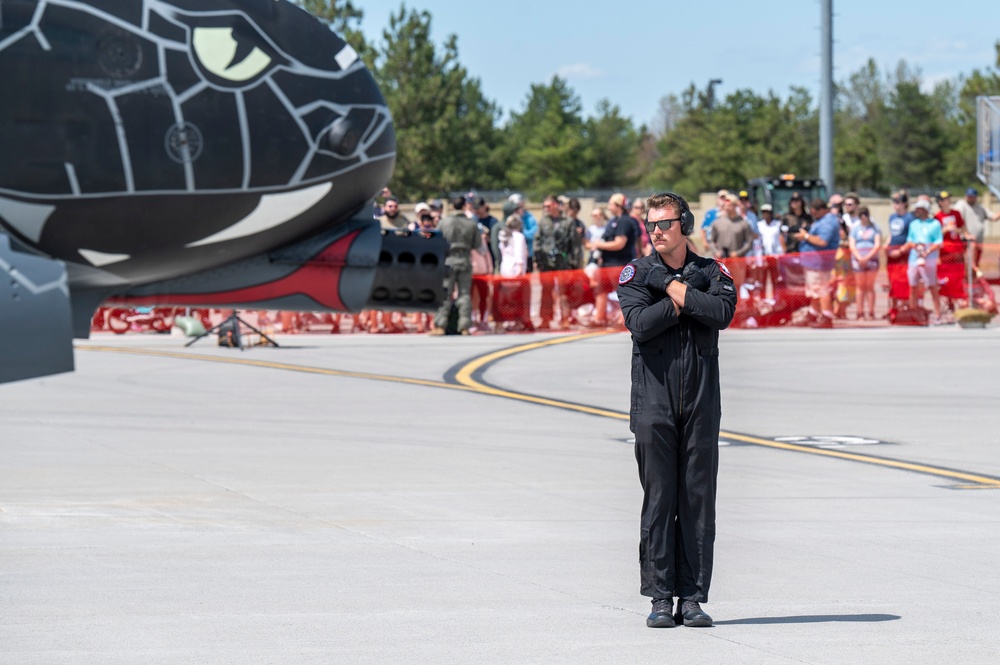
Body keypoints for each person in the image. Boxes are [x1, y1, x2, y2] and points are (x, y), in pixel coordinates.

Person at [617, 192, 737, 629]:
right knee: (660, 499)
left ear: (683, 222)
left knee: (698, 500)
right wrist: (678, 298)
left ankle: (692, 598)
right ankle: (659, 597)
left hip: (702, 402)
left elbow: (721, 312)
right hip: (654, 400)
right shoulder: (636, 273)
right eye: (650, 224)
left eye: (665, 223)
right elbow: (640, 325)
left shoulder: (712, 271)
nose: (656, 231)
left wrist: (674, 289)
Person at [429, 197, 482, 336]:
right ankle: (464, 326)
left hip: (448, 260)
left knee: (445, 293)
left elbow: (436, 241)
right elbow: (477, 244)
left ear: (452, 206)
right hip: (464, 259)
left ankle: (440, 325)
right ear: (464, 206)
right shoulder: (471, 224)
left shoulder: (443, 222)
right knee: (464, 294)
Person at [588, 193, 638, 327]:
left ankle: (623, 319)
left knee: (622, 293)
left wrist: (598, 245)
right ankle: (600, 317)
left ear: (618, 206)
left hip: (619, 265)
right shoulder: (612, 221)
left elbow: (619, 243)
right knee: (600, 289)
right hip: (606, 265)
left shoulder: (625, 221)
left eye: (611, 204)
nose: (608, 206)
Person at [534, 195, 581, 329]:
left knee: (563, 292)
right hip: (546, 262)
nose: (546, 209)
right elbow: (537, 241)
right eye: (544, 206)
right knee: (546, 292)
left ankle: (565, 319)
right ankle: (545, 319)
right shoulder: (543, 221)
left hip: (563, 262)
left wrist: (574, 264)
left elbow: (575, 245)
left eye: (548, 206)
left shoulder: (568, 221)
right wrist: (537, 259)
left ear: (555, 205)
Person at [796, 199, 841, 328]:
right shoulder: (823, 220)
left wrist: (805, 236)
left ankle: (827, 317)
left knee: (821, 289)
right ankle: (813, 314)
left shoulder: (828, 221)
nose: (813, 214)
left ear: (819, 210)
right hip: (814, 263)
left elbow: (822, 241)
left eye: (814, 212)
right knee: (814, 290)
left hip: (819, 263)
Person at [906, 199, 944, 323]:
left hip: (930, 259)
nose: (916, 211)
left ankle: (938, 313)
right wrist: (916, 248)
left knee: (932, 286)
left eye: (919, 209)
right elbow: (910, 240)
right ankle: (913, 312)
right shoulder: (914, 224)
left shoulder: (935, 224)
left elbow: (938, 242)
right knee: (913, 286)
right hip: (914, 258)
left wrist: (927, 251)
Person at [709, 193, 754, 290]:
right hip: (721, 263)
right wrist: (716, 251)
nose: (727, 207)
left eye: (729, 205)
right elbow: (711, 241)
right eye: (725, 205)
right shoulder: (717, 223)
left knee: (737, 288)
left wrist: (738, 253)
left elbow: (750, 243)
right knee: (720, 288)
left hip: (738, 264)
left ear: (735, 206)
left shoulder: (744, 223)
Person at [953, 187, 1000, 274]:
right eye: (969, 196)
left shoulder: (980, 208)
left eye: (972, 196)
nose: (970, 198)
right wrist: (966, 233)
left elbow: (994, 217)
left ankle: (973, 284)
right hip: (965, 242)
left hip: (978, 242)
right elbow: (957, 220)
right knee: (967, 264)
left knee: (975, 264)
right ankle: (966, 284)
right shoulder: (961, 205)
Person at [849, 206, 881, 320]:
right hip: (858, 260)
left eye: (865, 214)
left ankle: (871, 312)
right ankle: (860, 312)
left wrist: (867, 257)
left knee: (870, 286)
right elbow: (852, 244)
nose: (863, 217)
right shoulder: (856, 228)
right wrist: (859, 257)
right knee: (860, 287)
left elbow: (877, 244)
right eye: (861, 215)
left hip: (871, 259)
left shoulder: (874, 227)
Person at [885, 190, 915, 309]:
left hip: (904, 253)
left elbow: (911, 237)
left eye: (898, 202)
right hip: (892, 252)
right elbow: (891, 234)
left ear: (904, 204)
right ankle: (894, 307)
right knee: (893, 281)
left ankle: (905, 304)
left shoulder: (909, 218)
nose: (896, 205)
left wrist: (901, 250)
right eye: (894, 202)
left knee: (904, 280)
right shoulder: (892, 217)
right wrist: (886, 246)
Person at [753, 203, 784, 296]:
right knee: (762, 279)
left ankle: (775, 298)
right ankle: (763, 299)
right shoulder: (759, 225)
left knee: (775, 278)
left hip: (774, 256)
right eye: (764, 212)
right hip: (763, 255)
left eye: (768, 212)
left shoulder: (777, 225)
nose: (766, 214)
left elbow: (780, 239)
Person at [508, 193, 538, 271]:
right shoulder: (508, 219)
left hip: (527, 255)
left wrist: (520, 233)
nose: (518, 209)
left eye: (520, 206)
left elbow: (534, 233)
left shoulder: (529, 217)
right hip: (510, 256)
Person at [699, 189, 729, 255]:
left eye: (725, 199)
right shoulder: (711, 213)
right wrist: (705, 243)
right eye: (721, 198)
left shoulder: (730, 213)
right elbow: (703, 229)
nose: (723, 201)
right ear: (717, 199)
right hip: (712, 244)